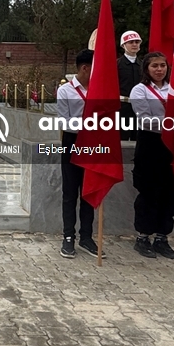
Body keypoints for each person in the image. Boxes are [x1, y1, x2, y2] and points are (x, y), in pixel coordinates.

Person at [129, 51, 174, 259]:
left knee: (168, 191)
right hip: (150, 142)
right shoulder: (140, 90)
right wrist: (172, 122)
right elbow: (145, 119)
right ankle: (143, 236)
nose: (159, 69)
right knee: (148, 191)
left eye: (163, 66)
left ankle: (162, 237)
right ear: (146, 69)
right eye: (154, 66)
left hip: (172, 144)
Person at [55, 49, 101, 259]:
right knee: (70, 192)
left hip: (94, 142)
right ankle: (68, 237)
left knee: (89, 191)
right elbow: (65, 121)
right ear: (85, 68)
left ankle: (87, 237)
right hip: (72, 142)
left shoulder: (100, 88)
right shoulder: (65, 90)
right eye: (96, 67)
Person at [117, 31, 143, 141]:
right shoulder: (116, 64)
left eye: (137, 42)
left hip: (140, 108)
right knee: (121, 138)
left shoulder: (143, 65)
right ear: (123, 45)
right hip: (122, 107)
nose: (134, 45)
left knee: (138, 138)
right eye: (131, 42)